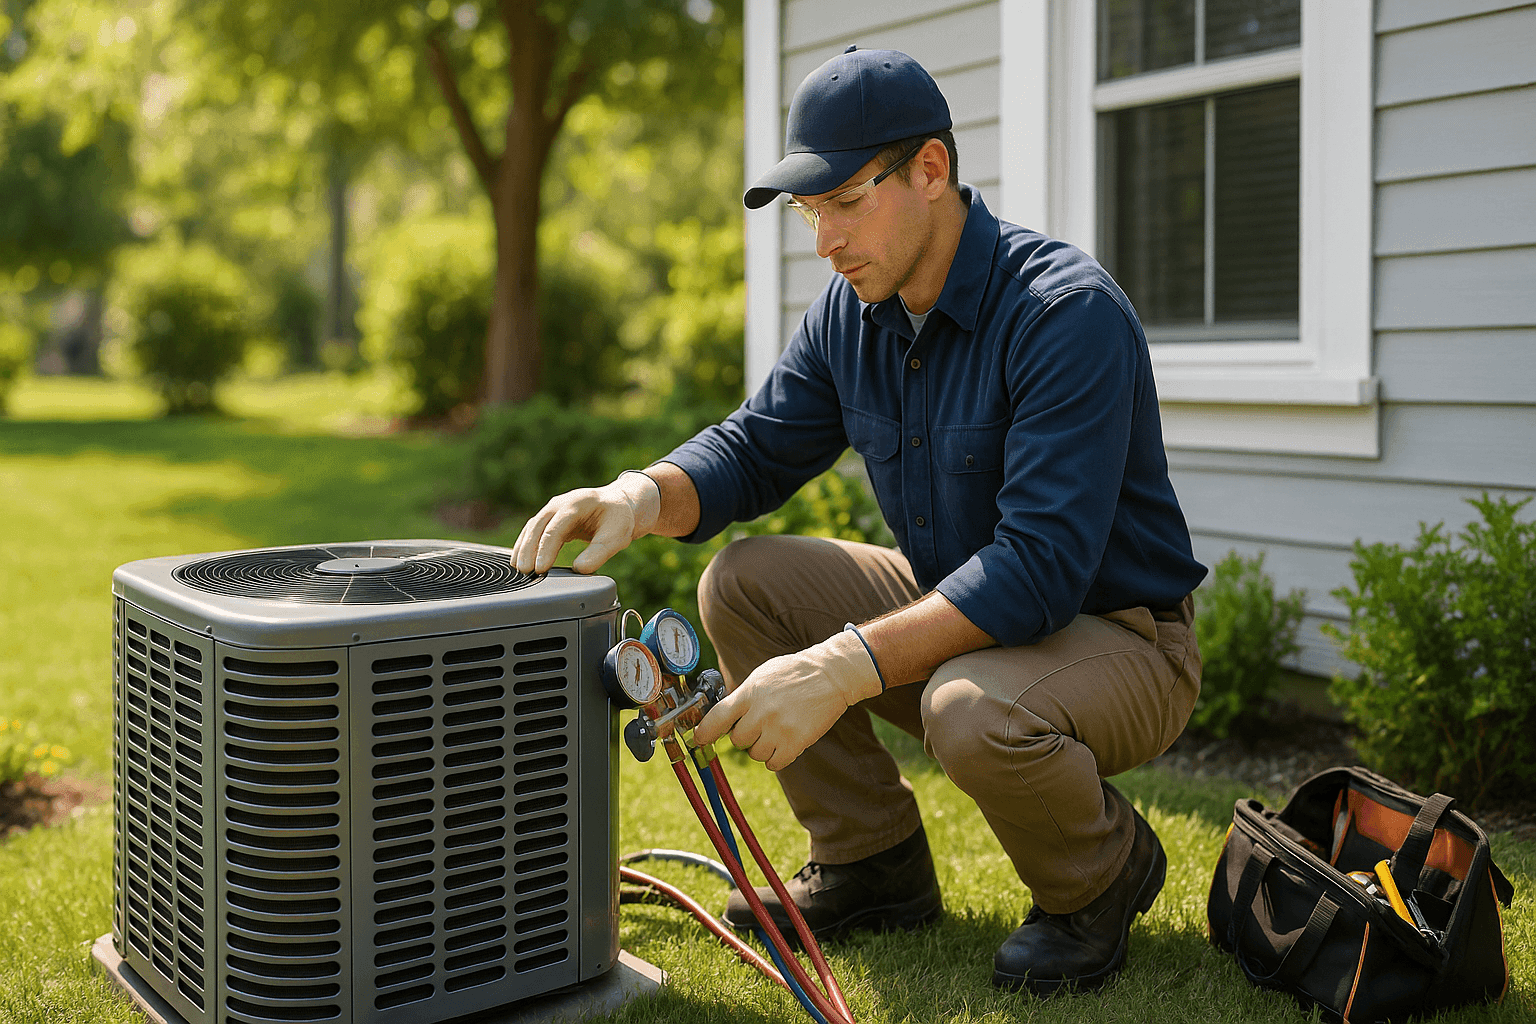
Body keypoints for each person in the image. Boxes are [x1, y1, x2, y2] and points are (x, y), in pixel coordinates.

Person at [512, 46, 1207, 996]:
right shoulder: (853, 312)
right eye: (810, 212)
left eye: (845, 203)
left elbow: (1041, 569)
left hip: (1122, 638)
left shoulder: (1062, 315)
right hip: (967, 611)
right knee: (744, 582)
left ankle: (1103, 872)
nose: (824, 241)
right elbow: (757, 448)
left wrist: (840, 667)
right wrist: (638, 495)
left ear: (931, 169)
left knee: (967, 708)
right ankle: (872, 861)